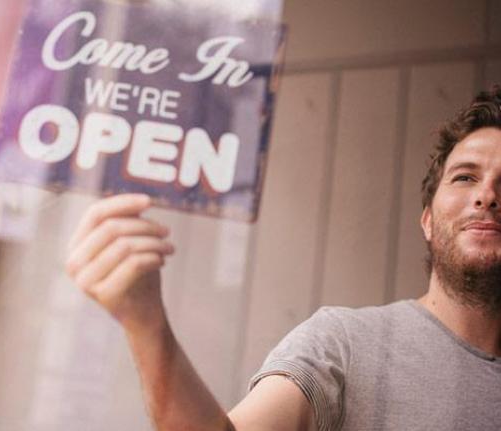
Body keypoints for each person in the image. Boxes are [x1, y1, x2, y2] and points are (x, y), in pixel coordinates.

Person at [64, 86, 501, 430]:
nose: (487, 196)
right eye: (465, 177)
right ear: (426, 220)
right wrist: (146, 323)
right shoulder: (345, 343)